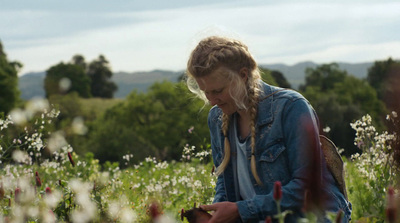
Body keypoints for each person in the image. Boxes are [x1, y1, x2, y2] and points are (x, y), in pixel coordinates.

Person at [185, 36, 352, 222]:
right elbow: (225, 184)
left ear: (243, 75)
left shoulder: (290, 108)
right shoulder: (216, 118)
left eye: (217, 91)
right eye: (205, 91)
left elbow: (306, 187)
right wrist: (216, 213)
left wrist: (240, 210)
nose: (211, 101)